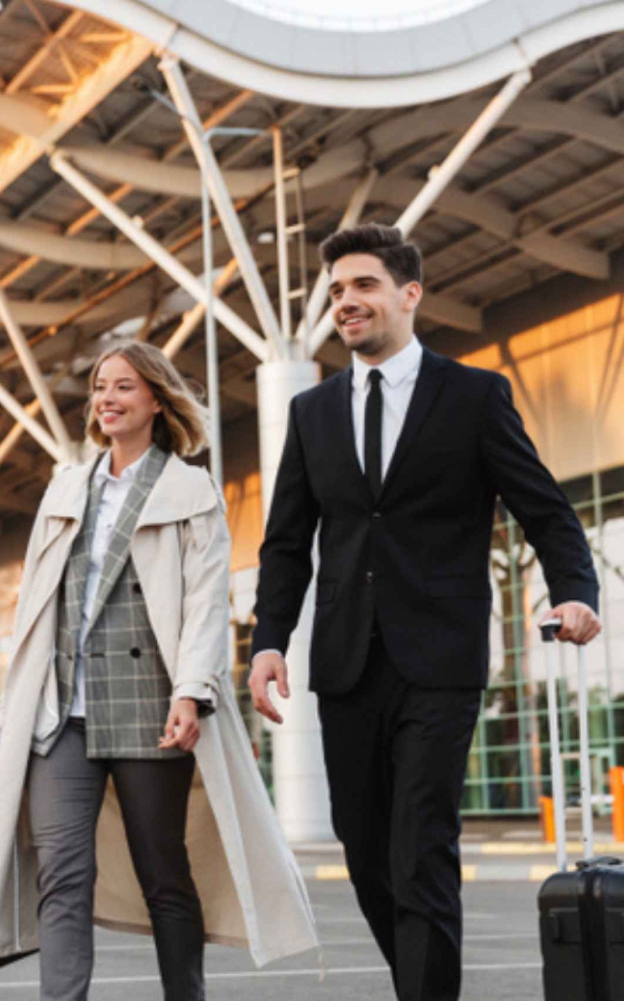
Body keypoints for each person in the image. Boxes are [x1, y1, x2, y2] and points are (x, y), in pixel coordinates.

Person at [248, 223, 602, 1001]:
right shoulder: (312, 413)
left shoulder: (472, 395)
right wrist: (269, 641)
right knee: (366, 849)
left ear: (410, 294)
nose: (347, 302)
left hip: (438, 659)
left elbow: (545, 509)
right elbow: (285, 543)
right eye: (337, 290)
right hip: (345, 662)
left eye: (364, 285)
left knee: (421, 849)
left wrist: (576, 589)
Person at [0, 342, 317, 1001]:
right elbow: (36, 605)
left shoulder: (189, 489)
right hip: (59, 710)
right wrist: (18, 699)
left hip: (149, 705)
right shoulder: (65, 488)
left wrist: (192, 691)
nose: (107, 398)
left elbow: (205, 602)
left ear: (156, 399)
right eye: (100, 386)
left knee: (164, 874)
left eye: (124, 387)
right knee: (62, 875)